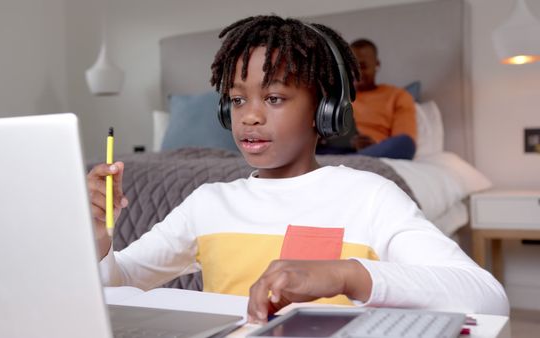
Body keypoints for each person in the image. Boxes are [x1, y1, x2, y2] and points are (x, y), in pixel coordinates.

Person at [87, 15, 508, 325]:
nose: (249, 116)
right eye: (237, 100)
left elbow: (488, 298)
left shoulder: (369, 197)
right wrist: (101, 237)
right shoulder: (208, 203)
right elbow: (117, 286)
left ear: (324, 110)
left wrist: (346, 274)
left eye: (273, 98)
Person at [316, 38, 418, 160]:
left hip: (373, 149)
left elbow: (404, 138)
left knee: (405, 143)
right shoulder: (335, 95)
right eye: (351, 67)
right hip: (333, 148)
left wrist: (374, 144)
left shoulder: (397, 95)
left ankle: (351, 160)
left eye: (363, 66)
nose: (356, 73)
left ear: (377, 65)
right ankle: (349, 160)